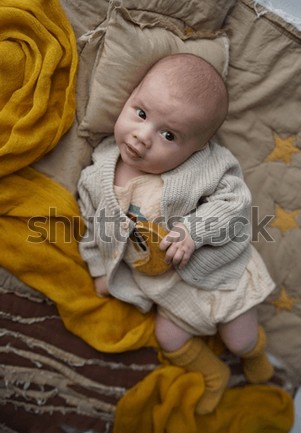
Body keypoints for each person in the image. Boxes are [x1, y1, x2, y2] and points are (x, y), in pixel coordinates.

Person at [77, 53, 275, 414]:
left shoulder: (206, 164)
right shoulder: (96, 176)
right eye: (140, 113)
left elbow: (235, 201)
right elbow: (94, 227)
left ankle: (255, 353)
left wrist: (193, 230)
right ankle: (213, 373)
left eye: (169, 135)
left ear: (196, 147)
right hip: (167, 288)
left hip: (219, 274)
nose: (142, 137)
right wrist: (100, 268)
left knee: (239, 338)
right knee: (168, 338)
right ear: (131, 95)